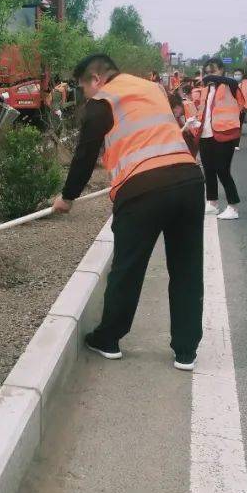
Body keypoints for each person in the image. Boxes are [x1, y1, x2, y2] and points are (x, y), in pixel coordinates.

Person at [52, 53, 205, 371]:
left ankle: (108, 339)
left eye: (84, 86)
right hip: (189, 182)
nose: (85, 95)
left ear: (96, 79)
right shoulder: (152, 89)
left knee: (128, 267)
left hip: (143, 190)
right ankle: (185, 351)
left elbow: (85, 153)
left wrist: (67, 198)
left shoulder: (103, 100)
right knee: (187, 269)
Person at [197, 57, 246, 220]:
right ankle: (212, 203)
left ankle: (233, 206)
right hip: (205, 133)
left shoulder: (229, 85)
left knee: (222, 170)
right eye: (207, 72)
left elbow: (240, 101)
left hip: (223, 133)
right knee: (209, 170)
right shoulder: (205, 88)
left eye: (213, 71)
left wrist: (211, 78)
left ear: (221, 70)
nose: (209, 75)